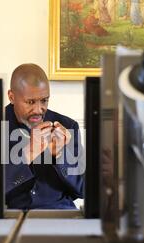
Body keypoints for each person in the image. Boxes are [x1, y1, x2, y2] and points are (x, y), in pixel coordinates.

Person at [5, 64, 85, 210]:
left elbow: (82, 189)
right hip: (10, 215)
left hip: (60, 214)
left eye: (44, 101)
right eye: (30, 102)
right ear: (12, 97)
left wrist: (60, 157)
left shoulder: (68, 126)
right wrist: (27, 154)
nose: (38, 110)